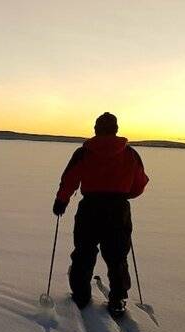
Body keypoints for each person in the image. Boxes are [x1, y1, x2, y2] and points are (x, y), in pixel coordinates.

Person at [52, 112, 149, 318]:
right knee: (117, 255)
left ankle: (81, 295)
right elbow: (140, 184)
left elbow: (69, 179)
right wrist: (124, 195)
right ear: (116, 130)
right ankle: (118, 299)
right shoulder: (130, 154)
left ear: (96, 129)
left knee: (83, 252)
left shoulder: (84, 152)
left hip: (90, 208)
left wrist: (61, 201)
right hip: (118, 210)